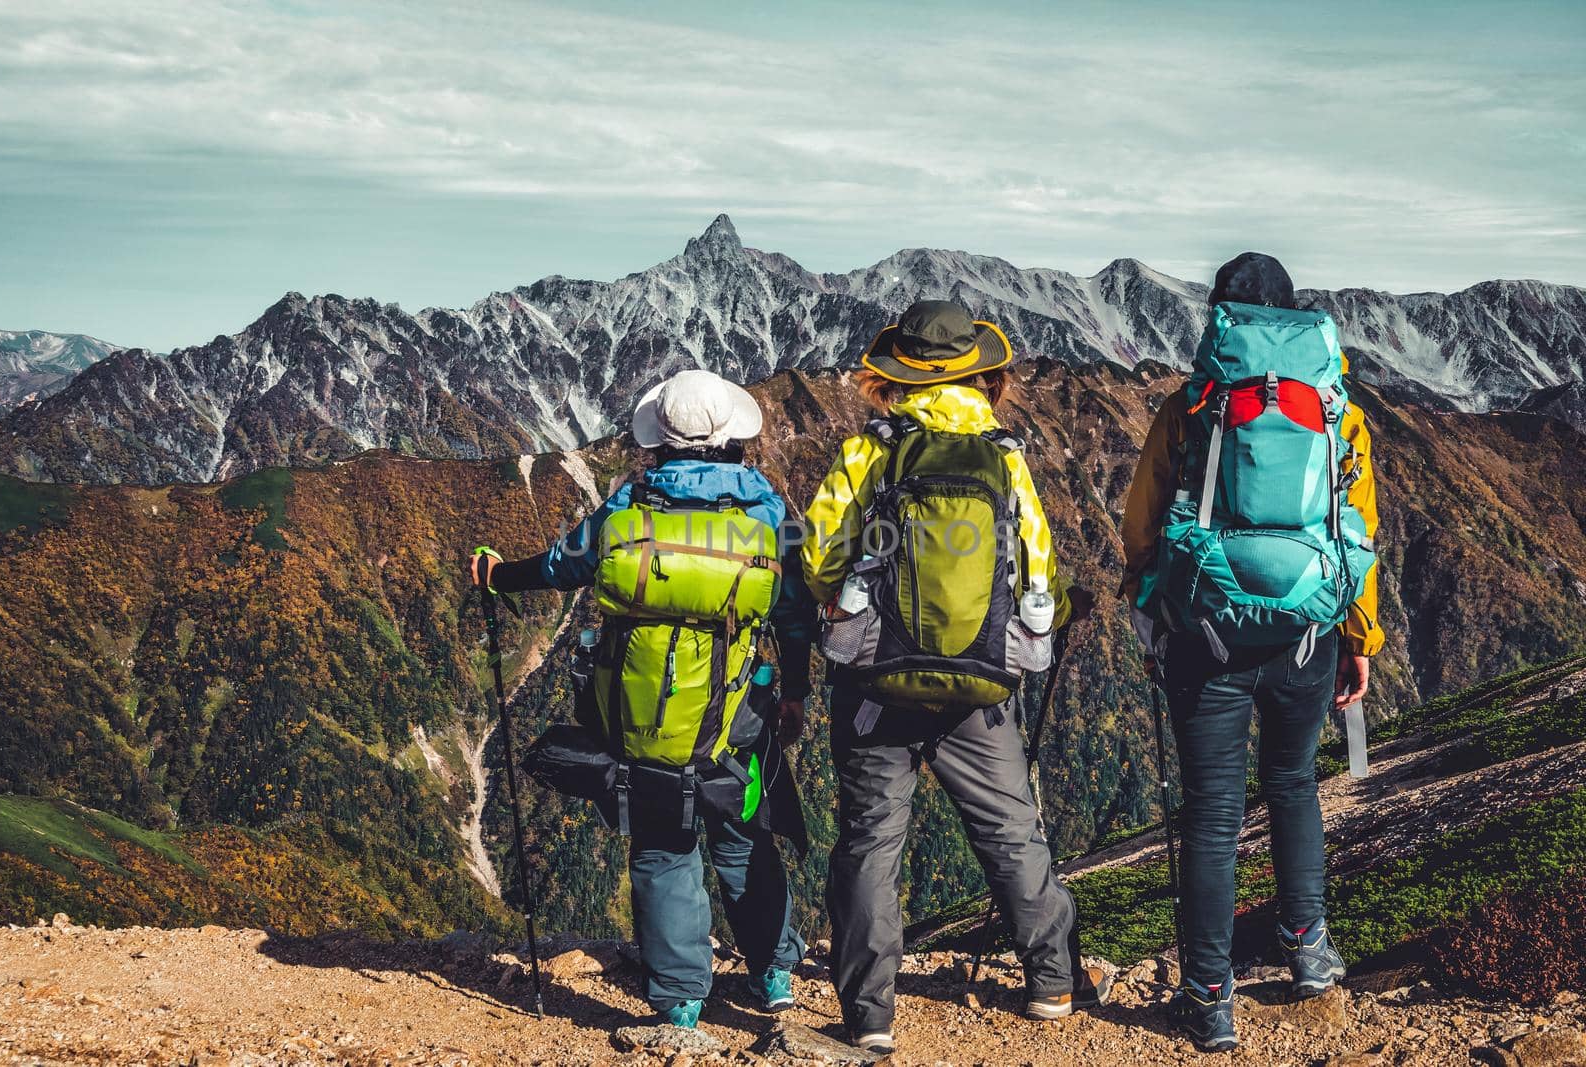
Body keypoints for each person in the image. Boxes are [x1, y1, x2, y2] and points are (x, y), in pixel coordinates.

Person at [800, 299, 1108, 1056]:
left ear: (898, 372)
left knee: (873, 842)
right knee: (1010, 830)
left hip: (878, 678)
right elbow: (1039, 569)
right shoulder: (1003, 454)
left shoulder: (870, 449)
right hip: (981, 684)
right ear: (981, 370)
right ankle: (1052, 982)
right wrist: (1066, 606)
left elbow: (817, 558)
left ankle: (870, 1015)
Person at [470, 368, 811, 1030]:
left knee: (662, 847)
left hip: (642, 720)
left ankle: (681, 1001)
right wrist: (793, 691)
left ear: (661, 442)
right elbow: (794, 616)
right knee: (743, 837)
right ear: (734, 441)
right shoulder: (767, 517)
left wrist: (495, 574)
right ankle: (773, 973)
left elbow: (557, 566)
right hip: (733, 723)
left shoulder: (626, 512)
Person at [1122, 253, 1382, 1053]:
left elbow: (1141, 526)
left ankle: (1208, 996)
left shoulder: (1191, 405)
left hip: (1208, 637)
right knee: (1294, 784)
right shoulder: (1337, 407)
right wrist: (1359, 637)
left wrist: (1149, 611)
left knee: (1212, 817)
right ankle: (1306, 949)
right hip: (1306, 634)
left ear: (1221, 318)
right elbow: (1356, 525)